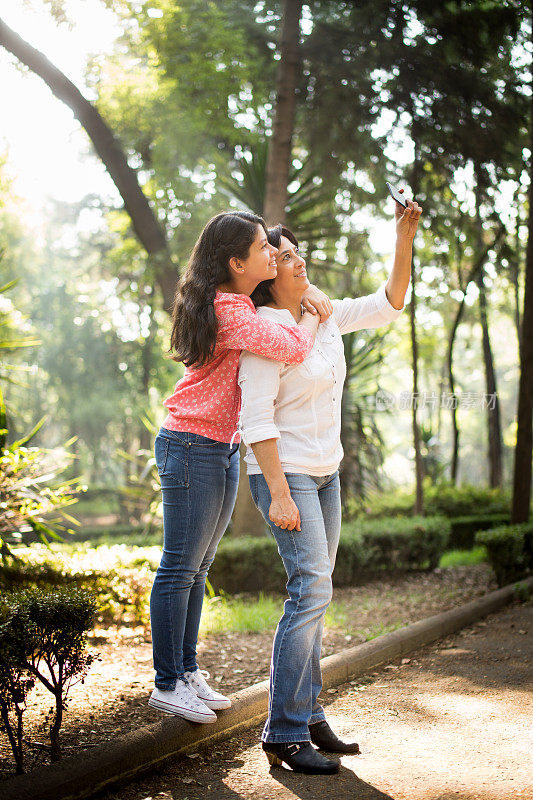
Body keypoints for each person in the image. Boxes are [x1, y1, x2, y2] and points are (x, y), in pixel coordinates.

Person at [238, 196, 422, 774]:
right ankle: (284, 731)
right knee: (310, 589)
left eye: (295, 252)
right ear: (269, 277)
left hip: (326, 471)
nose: (297, 261)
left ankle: (310, 715)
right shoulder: (265, 329)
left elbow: (389, 304)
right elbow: (257, 420)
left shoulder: (323, 314)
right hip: (284, 473)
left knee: (318, 592)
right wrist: (281, 492)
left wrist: (403, 237)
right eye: (284, 256)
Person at [149, 210, 332, 724]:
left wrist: (305, 296)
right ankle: (167, 682)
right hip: (190, 445)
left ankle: (186, 672)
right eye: (262, 248)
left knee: (198, 569)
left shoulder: (235, 302)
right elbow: (293, 347)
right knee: (179, 569)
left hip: (221, 447)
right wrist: (313, 309)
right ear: (236, 262)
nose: (273, 253)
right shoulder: (229, 311)